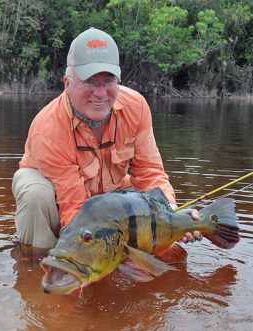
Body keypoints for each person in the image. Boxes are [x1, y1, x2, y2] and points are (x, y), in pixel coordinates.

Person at [12, 27, 201, 249]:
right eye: (91, 81)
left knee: (171, 252)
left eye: (109, 81)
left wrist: (172, 217)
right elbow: (74, 207)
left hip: (108, 197)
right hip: (56, 195)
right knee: (36, 195)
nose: (101, 93)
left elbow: (150, 174)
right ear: (67, 83)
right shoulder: (48, 130)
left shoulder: (136, 107)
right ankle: (35, 262)